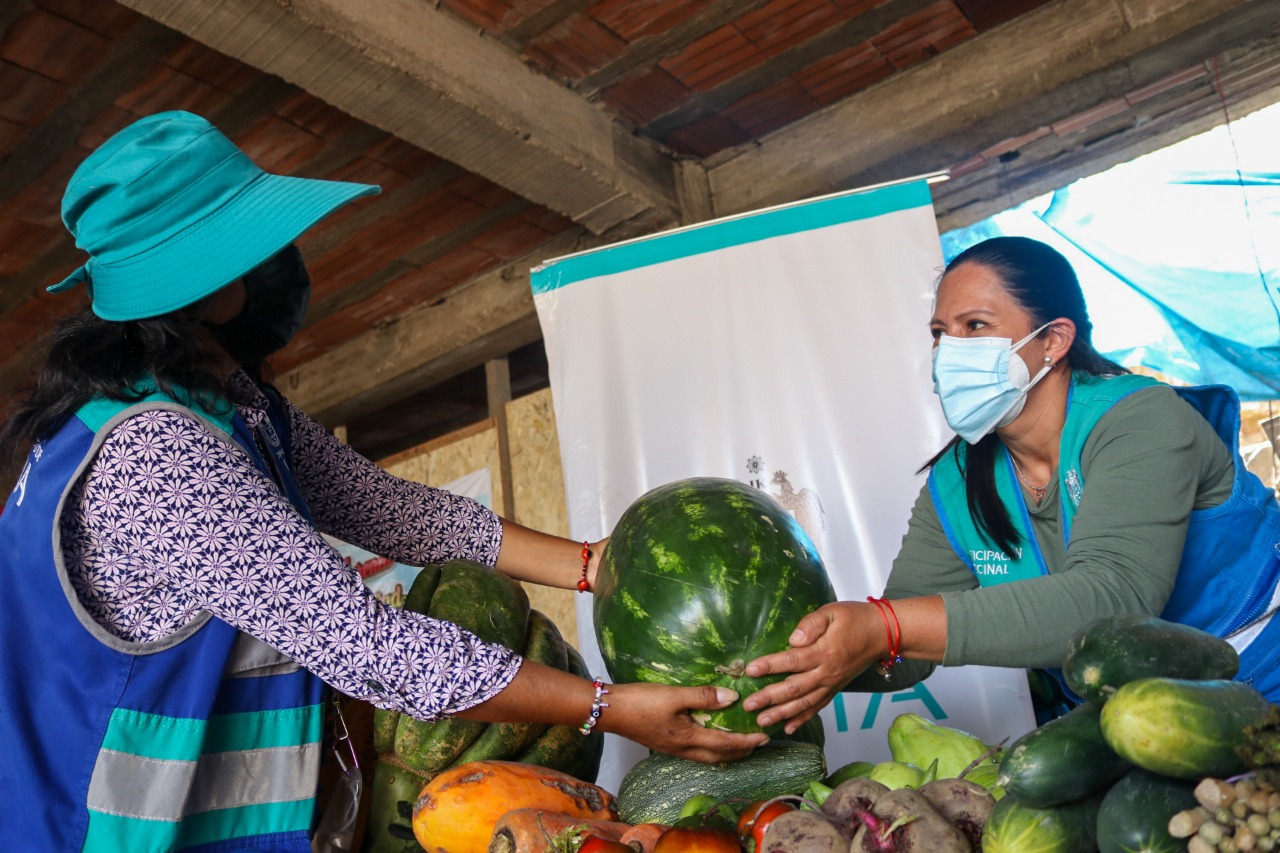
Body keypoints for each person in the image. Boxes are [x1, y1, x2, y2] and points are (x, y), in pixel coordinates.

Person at [0, 110, 766, 852]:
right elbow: (368, 646)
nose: (276, 254)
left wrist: (595, 566)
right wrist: (608, 706)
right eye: (250, 237)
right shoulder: (157, 451)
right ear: (199, 277)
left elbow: (389, 510)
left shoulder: (212, 403)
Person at [742, 235, 1280, 732]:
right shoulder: (958, 479)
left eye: (975, 326)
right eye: (939, 333)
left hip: (1258, 682)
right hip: (1130, 720)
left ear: (1054, 340)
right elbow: (901, 650)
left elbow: (1111, 599)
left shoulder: (1140, 420)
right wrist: (777, 663)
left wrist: (883, 627)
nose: (949, 352)